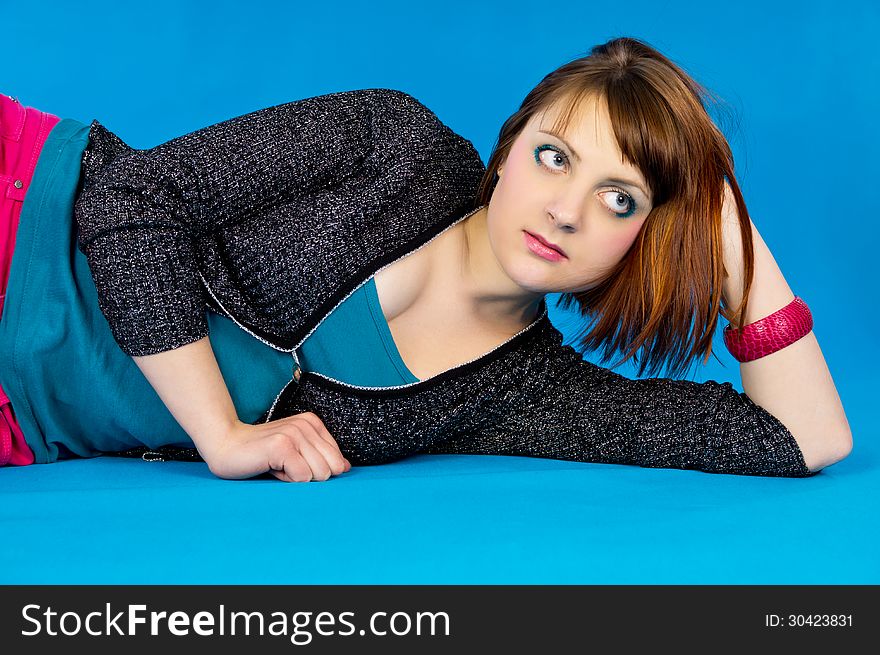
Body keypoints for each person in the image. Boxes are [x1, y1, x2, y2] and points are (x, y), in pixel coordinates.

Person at [0, 36, 852, 482]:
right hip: (25, 214)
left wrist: (732, 237)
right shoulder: (395, 143)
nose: (566, 208)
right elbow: (131, 200)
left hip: (29, 418)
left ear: (644, 239)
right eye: (555, 156)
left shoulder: (522, 391)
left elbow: (806, 439)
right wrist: (222, 434)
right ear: (511, 145)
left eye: (619, 199)